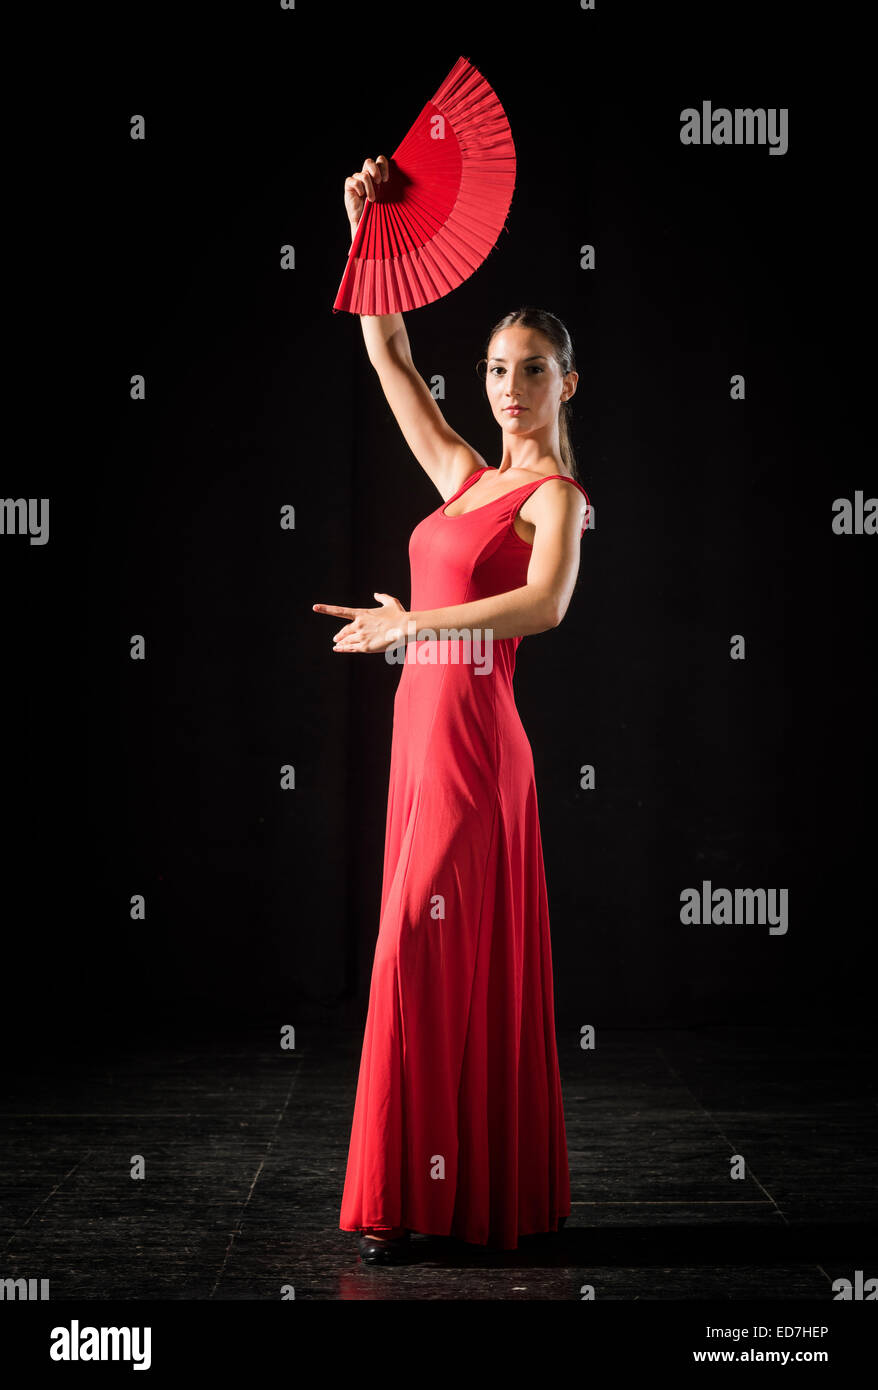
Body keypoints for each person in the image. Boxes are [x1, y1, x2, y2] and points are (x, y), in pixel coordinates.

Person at [314, 156, 591, 1265]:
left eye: (529, 370)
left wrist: (409, 628)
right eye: (490, 368)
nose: (506, 387)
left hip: (479, 757)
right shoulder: (466, 476)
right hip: (419, 747)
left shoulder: (552, 497)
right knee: (421, 957)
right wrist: (362, 228)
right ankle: (436, 1197)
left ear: (567, 383)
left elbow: (542, 605)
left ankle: (418, 1196)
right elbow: (385, 348)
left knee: (414, 953)